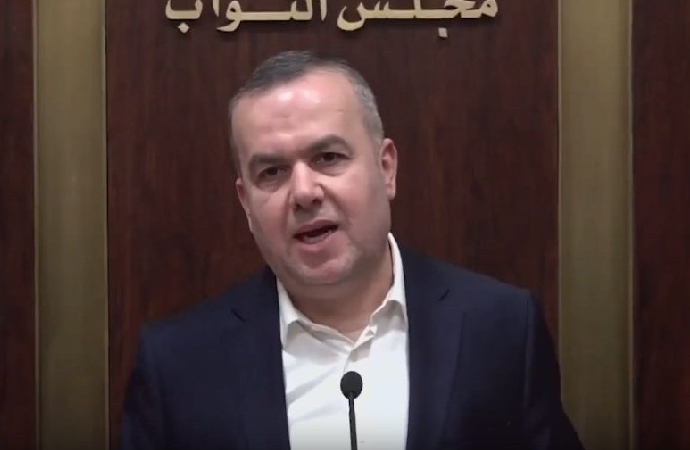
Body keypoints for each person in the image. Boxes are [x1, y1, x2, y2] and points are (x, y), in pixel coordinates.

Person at [120, 50, 584, 450]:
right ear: (246, 203)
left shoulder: (502, 329)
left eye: (328, 158)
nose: (304, 192)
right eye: (272, 172)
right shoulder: (177, 366)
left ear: (386, 169)